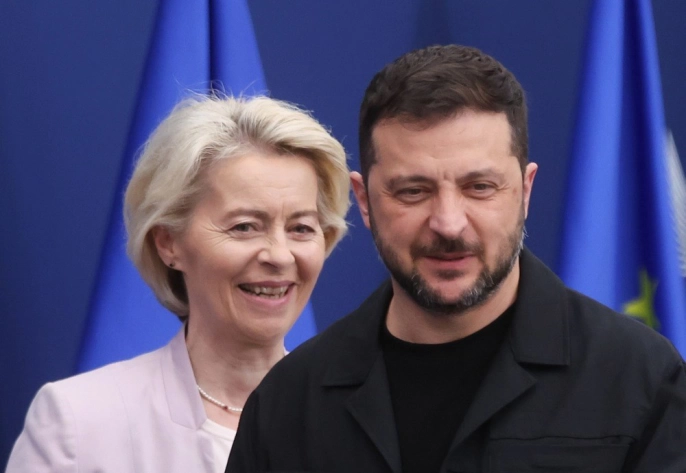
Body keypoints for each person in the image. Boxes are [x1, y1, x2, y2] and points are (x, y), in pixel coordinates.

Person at [226, 45, 686, 472]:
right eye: (413, 191)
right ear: (363, 201)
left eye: (479, 187)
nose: (448, 223)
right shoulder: (289, 403)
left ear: (525, 191)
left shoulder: (639, 380)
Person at [6, 94, 350, 473]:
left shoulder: (355, 422)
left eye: (301, 228)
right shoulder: (79, 424)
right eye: (244, 227)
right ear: (169, 243)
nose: (280, 256)